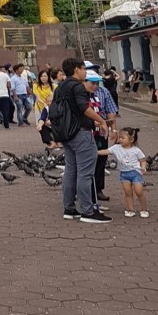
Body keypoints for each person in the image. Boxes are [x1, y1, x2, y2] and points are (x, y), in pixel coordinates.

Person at [53, 58, 112, 223]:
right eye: (83, 68)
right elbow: (84, 108)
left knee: (71, 170)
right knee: (86, 173)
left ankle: (69, 208)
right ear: (77, 69)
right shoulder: (77, 86)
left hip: (66, 133)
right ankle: (88, 211)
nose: (85, 71)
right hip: (81, 133)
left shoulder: (60, 87)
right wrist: (101, 121)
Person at [99, 127, 148, 218]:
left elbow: (143, 160)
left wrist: (143, 167)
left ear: (131, 139)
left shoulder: (136, 150)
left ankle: (144, 209)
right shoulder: (116, 148)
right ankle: (130, 209)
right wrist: (95, 152)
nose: (120, 140)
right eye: (119, 137)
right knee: (128, 192)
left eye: (123, 138)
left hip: (135, 172)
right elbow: (106, 151)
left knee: (139, 191)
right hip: (124, 174)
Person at [85, 72, 118, 205]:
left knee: (101, 159)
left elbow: (110, 111)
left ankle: (98, 189)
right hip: (86, 133)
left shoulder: (103, 92)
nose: (95, 86)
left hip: (100, 132)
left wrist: (113, 129)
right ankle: (84, 192)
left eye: (96, 83)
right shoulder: (79, 94)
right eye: (92, 83)